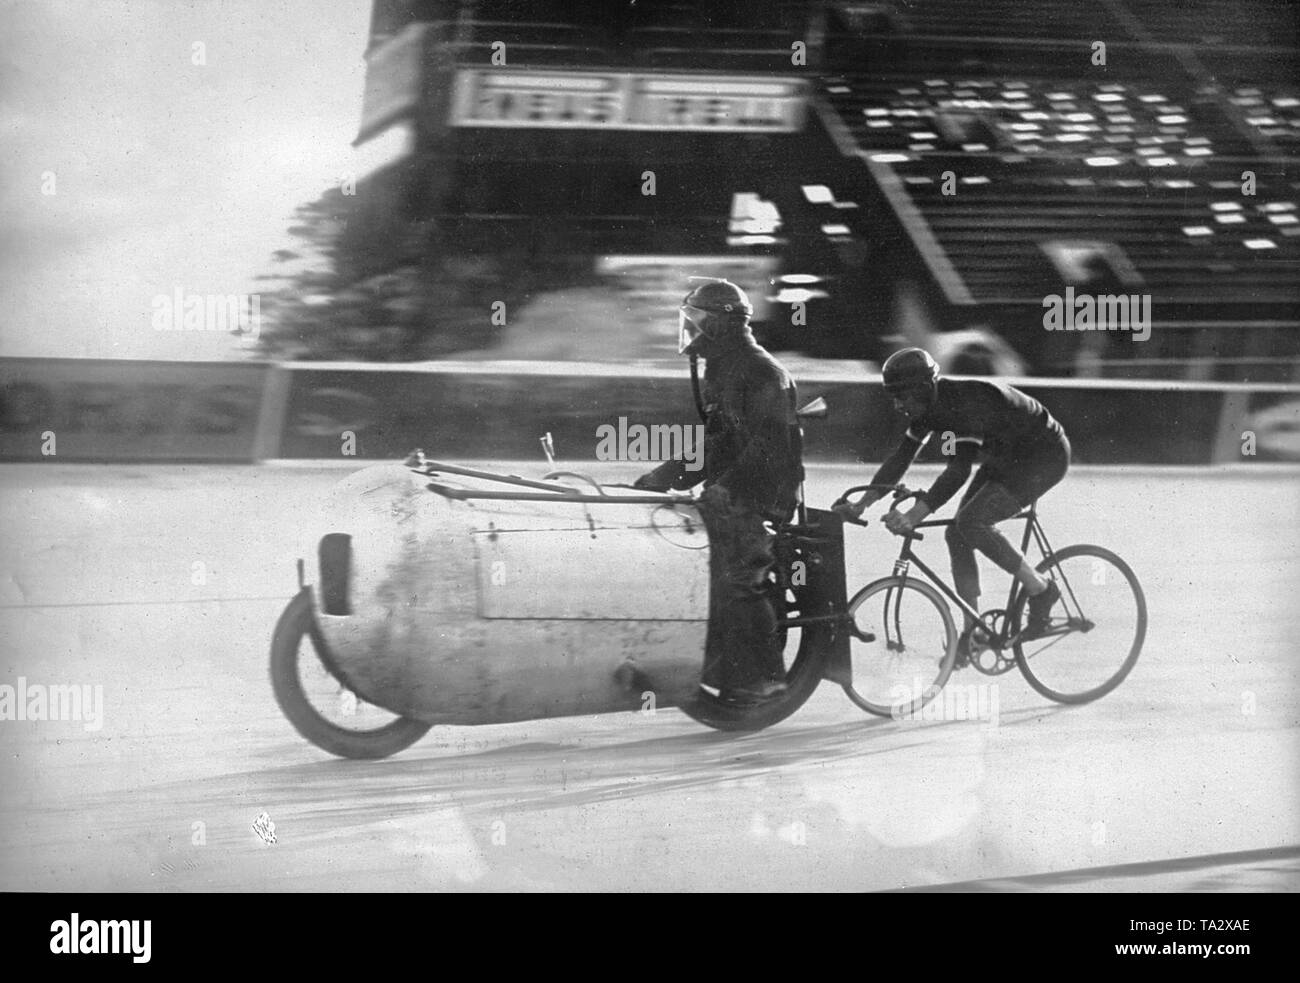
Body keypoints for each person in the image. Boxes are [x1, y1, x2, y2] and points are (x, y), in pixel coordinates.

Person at [836, 348, 1070, 663]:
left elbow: (958, 471)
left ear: (922, 388)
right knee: (957, 533)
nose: (897, 404)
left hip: (1043, 456)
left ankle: (1041, 589)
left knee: (972, 522)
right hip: (1007, 455)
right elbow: (902, 457)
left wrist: (914, 515)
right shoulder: (930, 407)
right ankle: (974, 628)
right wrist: (862, 503)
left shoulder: (964, 405)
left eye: (900, 396)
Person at [634, 279, 804, 702]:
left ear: (724, 325)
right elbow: (717, 444)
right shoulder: (723, 369)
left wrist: (725, 489)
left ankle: (768, 676)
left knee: (739, 579)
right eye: (689, 322)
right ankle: (720, 661)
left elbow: (768, 448)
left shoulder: (762, 372)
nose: (691, 331)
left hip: (764, 494)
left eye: (699, 322)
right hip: (732, 491)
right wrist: (660, 479)